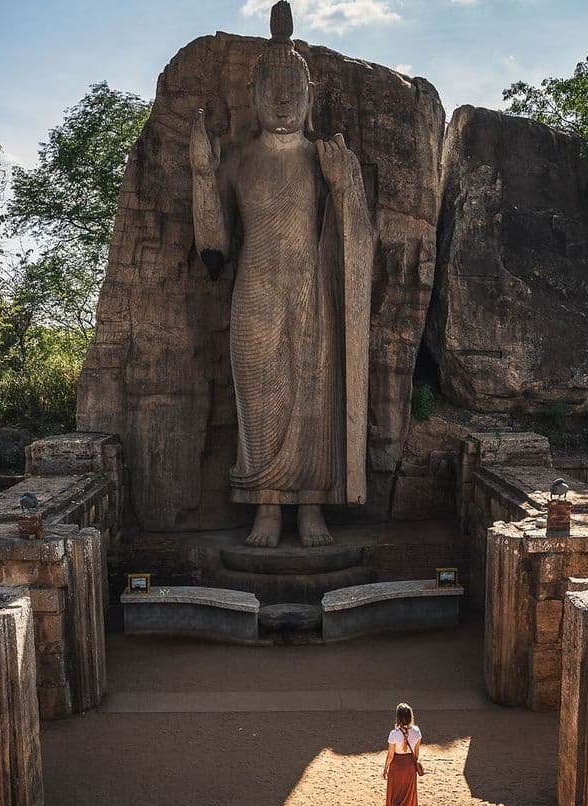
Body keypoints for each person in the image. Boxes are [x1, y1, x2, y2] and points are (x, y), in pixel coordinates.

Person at [190, 0, 374, 548]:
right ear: (255, 95)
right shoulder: (239, 160)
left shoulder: (324, 158)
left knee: (313, 394)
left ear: (309, 96)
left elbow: (359, 238)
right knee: (257, 398)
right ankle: (266, 508)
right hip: (255, 291)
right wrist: (202, 174)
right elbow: (214, 246)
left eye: (295, 90)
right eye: (273, 89)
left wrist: (343, 188)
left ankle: (311, 507)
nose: (284, 101)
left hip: (311, 293)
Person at [383, 702, 422, 806]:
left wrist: (385, 768)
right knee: (407, 796)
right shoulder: (417, 731)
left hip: (397, 766)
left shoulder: (394, 734)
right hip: (410, 765)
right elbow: (416, 752)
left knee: (395, 798)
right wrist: (414, 766)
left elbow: (390, 755)